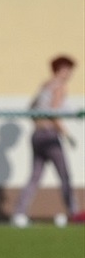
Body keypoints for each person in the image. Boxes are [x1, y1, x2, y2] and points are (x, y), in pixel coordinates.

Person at [12, 55, 81, 227]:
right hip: (50, 135)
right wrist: (68, 135)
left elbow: (31, 108)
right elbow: (54, 114)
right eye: (67, 70)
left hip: (37, 135)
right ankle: (74, 212)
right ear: (60, 69)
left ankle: (19, 213)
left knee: (34, 176)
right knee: (64, 175)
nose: (69, 74)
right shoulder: (59, 87)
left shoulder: (45, 85)